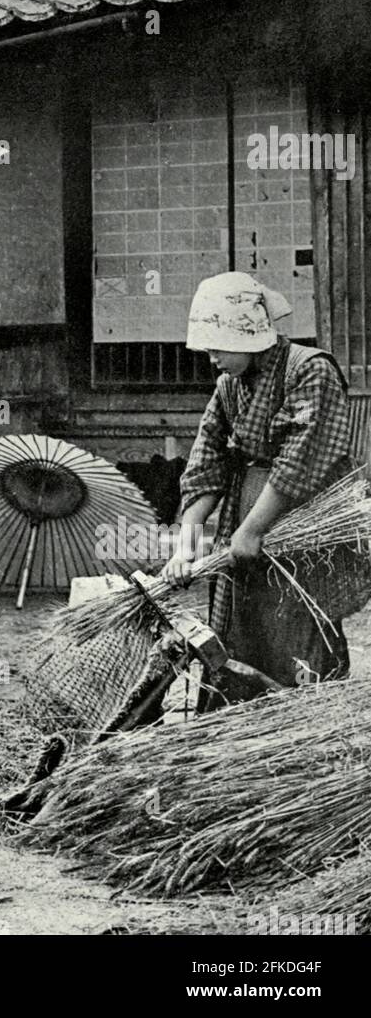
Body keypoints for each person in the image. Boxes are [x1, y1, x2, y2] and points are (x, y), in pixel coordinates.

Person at [163, 271, 353, 706]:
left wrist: (252, 531)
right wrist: (186, 545)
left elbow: (300, 462)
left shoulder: (309, 370)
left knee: (296, 625)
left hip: (298, 516)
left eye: (216, 347)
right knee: (241, 625)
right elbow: (206, 463)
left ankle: (306, 721)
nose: (211, 358)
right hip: (244, 515)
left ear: (248, 337)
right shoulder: (229, 385)